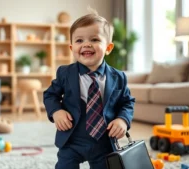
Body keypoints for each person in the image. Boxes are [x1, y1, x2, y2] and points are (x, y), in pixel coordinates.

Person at [43, 9, 135, 169]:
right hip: (72, 140)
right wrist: (56, 111)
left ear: (108, 47)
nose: (86, 44)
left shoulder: (118, 77)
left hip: (103, 142)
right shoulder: (65, 73)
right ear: (72, 48)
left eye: (94, 39)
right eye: (79, 40)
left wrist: (123, 120)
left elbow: (127, 103)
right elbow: (50, 95)